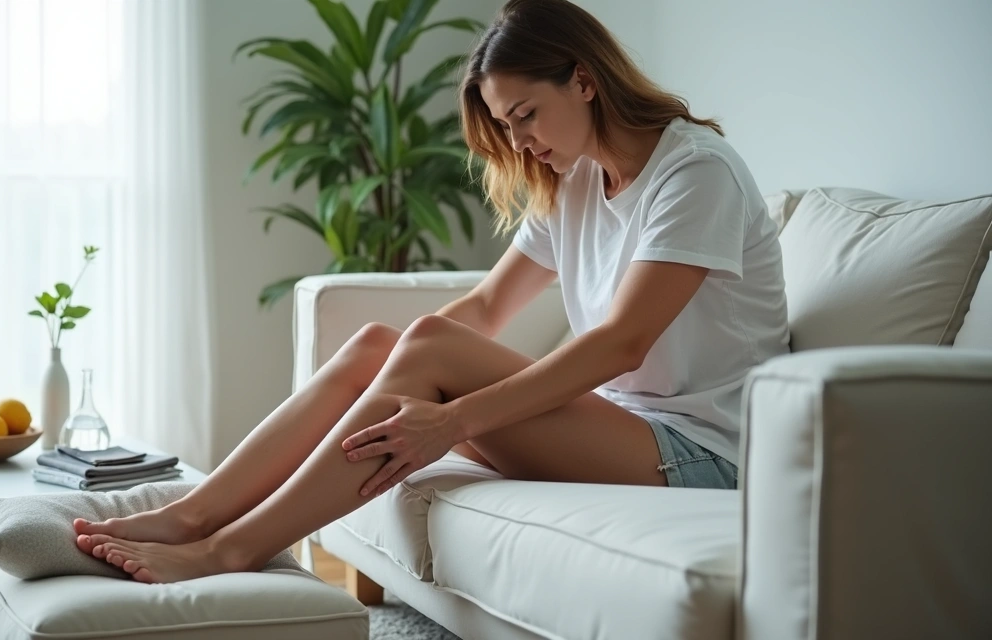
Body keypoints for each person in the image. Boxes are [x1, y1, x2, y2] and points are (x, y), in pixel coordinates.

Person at [73, 0, 790, 584]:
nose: (519, 143)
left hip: (704, 454)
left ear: (583, 79)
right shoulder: (576, 178)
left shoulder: (696, 173)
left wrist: (450, 419)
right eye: (505, 126)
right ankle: (195, 514)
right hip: (623, 429)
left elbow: (620, 343)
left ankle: (231, 549)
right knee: (378, 346)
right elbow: (486, 307)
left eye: (526, 115)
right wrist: (399, 372)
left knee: (430, 350)